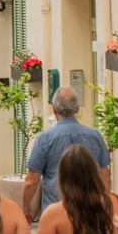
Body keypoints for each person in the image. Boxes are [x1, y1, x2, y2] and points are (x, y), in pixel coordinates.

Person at [23, 86, 112, 221]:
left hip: (55, 215)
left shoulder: (45, 139)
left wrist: (25, 207)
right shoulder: (95, 136)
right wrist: (104, 204)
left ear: (54, 109)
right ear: (77, 108)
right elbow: (105, 176)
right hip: (89, 214)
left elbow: (31, 181)